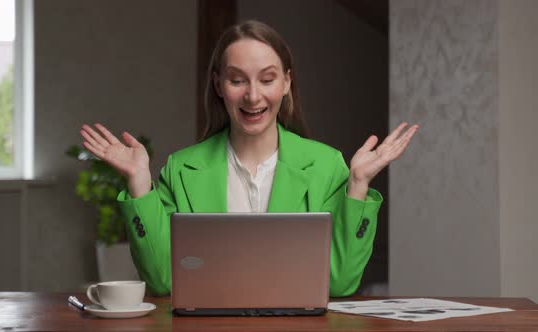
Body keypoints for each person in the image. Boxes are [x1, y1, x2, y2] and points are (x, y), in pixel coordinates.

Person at [80, 20, 418, 297]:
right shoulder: (182, 168)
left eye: (267, 79)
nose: (253, 95)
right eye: (237, 80)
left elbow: (341, 283)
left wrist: (358, 184)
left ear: (286, 82)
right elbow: (160, 281)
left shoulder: (327, 165)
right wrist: (140, 182)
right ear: (218, 86)